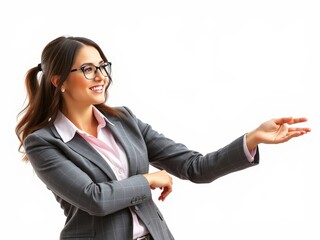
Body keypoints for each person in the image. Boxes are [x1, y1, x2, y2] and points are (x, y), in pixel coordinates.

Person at [15, 36, 311, 240]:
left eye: (103, 66)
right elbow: (96, 199)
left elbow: (195, 167)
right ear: (59, 81)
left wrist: (251, 139)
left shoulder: (124, 121)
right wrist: (149, 180)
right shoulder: (43, 142)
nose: (101, 76)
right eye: (88, 69)